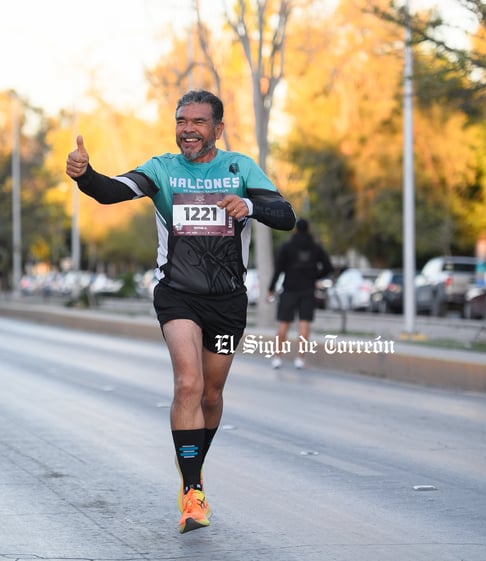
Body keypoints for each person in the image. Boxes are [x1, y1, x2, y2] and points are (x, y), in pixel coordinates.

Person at [65, 89, 296, 533]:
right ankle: (192, 495)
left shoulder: (239, 167)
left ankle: (194, 473)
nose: (188, 129)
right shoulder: (163, 169)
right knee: (187, 383)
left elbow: (285, 214)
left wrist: (247, 204)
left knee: (211, 394)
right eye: (181, 121)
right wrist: (85, 175)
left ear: (218, 129)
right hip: (178, 294)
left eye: (198, 122)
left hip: (229, 301)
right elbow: (112, 191)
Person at [267, 218, 333, 370]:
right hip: (308, 290)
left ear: (296, 230)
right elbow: (328, 267)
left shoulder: (287, 247)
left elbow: (278, 270)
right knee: (304, 324)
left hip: (289, 289)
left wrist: (271, 289)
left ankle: (277, 357)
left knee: (284, 323)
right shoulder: (315, 248)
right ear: (308, 230)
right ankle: (299, 358)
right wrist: (315, 276)